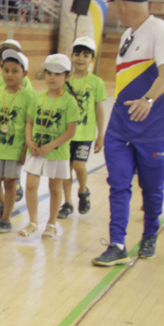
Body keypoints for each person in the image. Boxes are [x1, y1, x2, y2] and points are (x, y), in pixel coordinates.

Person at [93, 0, 164, 266]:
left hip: (153, 127)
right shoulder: (127, 36)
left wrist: (148, 100)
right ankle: (117, 243)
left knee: (152, 188)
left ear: (123, 5)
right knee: (118, 183)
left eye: (116, 6)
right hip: (121, 126)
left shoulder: (160, 30)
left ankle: (150, 233)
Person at [20, 54, 80, 239]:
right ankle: (32, 222)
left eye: (57, 73)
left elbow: (70, 131)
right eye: (49, 73)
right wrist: (29, 141)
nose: (52, 77)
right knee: (31, 185)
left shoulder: (69, 102)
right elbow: (29, 122)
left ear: (66, 77)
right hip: (36, 150)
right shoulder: (38, 98)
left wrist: (51, 146)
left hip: (57, 152)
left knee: (55, 188)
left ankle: (52, 223)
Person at [0, 49, 33, 234]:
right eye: (6, 70)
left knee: (10, 181)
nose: (9, 75)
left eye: (15, 71)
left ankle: (5, 219)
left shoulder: (28, 97)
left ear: (24, 74)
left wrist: (25, 148)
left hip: (16, 146)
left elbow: (30, 124)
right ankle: (5, 204)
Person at [59, 36, 106, 218]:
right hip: (65, 134)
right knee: (65, 170)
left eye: (86, 55)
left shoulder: (96, 82)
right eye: (77, 54)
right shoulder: (64, 79)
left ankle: (83, 191)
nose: (80, 58)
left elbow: (99, 109)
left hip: (84, 134)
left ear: (92, 59)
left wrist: (101, 134)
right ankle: (67, 202)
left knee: (79, 166)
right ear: (71, 56)